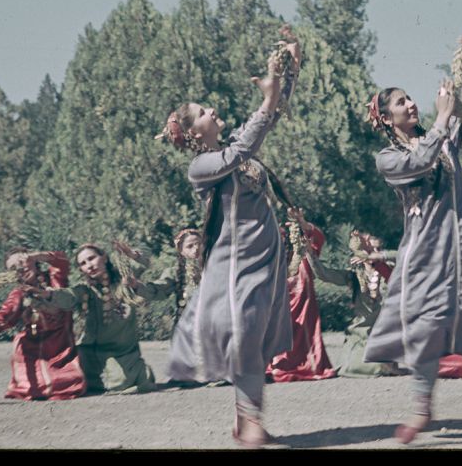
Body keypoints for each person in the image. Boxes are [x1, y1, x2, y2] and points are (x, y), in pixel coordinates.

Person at [156, 25, 301, 448]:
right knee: (244, 334)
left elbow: (268, 117)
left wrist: (288, 64)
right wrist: (267, 100)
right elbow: (242, 151)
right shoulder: (202, 167)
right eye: (203, 113)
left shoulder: (236, 141)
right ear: (193, 132)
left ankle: (246, 421)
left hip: (264, 258)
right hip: (235, 264)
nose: (212, 112)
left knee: (253, 338)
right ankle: (250, 420)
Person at [364, 35, 462, 444]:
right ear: (387, 119)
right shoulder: (389, 159)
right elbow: (419, 161)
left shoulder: (444, 140)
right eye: (401, 102)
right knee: (424, 328)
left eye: (410, 98)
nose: (411, 104)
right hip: (425, 255)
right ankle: (422, 408)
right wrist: (442, 120)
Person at [25, 242, 157, 395]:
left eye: (91, 258)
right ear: (81, 269)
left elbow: (145, 257)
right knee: (69, 378)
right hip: (91, 352)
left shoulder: (125, 279)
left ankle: (135, 372)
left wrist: (132, 254)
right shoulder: (85, 290)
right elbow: (69, 296)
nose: (89, 265)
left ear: (104, 257)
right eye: (83, 263)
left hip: (123, 351)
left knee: (122, 381)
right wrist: (48, 294)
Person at [0, 248, 86, 400]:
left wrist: (35, 256)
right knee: (34, 388)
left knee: (66, 382)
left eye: (22, 262)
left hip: (61, 345)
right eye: (14, 268)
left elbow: (61, 261)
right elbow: (4, 316)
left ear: (34, 262)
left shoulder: (55, 279)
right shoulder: (19, 293)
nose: (20, 268)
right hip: (32, 347)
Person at [123, 229, 226, 387]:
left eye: (199, 244)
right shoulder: (177, 273)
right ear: (181, 251)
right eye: (190, 246)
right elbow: (159, 289)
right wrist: (136, 285)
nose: (196, 249)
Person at [304, 230, 406, 378]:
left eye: (378, 249)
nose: (373, 252)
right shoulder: (353, 275)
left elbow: (407, 256)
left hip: (387, 332)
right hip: (361, 333)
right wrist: (309, 253)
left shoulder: (390, 270)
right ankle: (381, 365)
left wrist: (380, 257)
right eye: (370, 249)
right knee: (349, 368)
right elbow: (324, 274)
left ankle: (387, 364)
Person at [265, 207, 337, 382]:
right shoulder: (268, 263)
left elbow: (318, 238)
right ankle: (277, 367)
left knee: (308, 343)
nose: (281, 243)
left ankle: (311, 367)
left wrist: (302, 222)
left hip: (305, 311)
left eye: (284, 239)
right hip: (279, 314)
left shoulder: (304, 256)